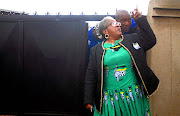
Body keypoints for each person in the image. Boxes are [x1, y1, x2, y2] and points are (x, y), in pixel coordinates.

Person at [84, 8, 159, 116]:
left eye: (118, 24)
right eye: (114, 24)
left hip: (133, 94)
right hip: (109, 98)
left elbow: (151, 40)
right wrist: (88, 99)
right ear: (105, 31)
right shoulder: (96, 50)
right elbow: (91, 74)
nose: (118, 25)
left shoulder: (132, 39)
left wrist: (140, 20)